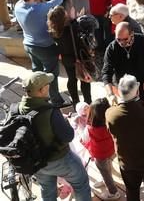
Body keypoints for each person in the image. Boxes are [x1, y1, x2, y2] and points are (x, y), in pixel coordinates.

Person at [18, 72, 92, 201]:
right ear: (41, 90)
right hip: (59, 159)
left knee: (47, 190)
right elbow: (68, 136)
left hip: (36, 161)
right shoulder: (50, 111)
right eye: (47, 84)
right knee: (81, 184)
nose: (49, 86)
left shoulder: (18, 108)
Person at [105, 74, 144, 201]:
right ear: (137, 92)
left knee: (132, 191)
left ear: (118, 91)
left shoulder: (110, 113)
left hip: (126, 160)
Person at [15, 0, 64, 104]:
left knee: (37, 72)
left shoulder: (19, 5)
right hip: (45, 47)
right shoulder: (39, 9)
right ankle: (56, 100)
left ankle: (37, 96)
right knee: (51, 74)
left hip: (29, 45)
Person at [46, 5, 92, 105]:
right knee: (84, 79)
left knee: (72, 79)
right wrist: (76, 18)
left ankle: (75, 101)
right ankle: (88, 101)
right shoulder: (73, 26)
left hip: (66, 59)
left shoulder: (53, 30)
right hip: (79, 57)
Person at [102, 22, 144, 103]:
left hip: (143, 84)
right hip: (124, 90)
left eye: (125, 39)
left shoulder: (143, 40)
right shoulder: (111, 48)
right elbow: (106, 73)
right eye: (118, 39)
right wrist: (111, 94)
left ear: (132, 34)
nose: (122, 42)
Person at [80, 98, 119, 200]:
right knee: (108, 166)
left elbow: (83, 139)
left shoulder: (89, 128)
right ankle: (108, 180)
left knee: (104, 172)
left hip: (99, 155)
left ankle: (113, 192)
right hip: (111, 150)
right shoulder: (111, 123)